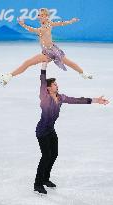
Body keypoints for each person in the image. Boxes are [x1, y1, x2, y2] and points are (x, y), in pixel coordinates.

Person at [34, 65, 109, 195]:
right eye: (54, 84)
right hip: (42, 131)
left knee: (54, 154)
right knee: (46, 156)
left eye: (56, 84)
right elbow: (42, 80)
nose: (57, 86)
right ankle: (37, 184)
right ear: (48, 88)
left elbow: (76, 100)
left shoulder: (61, 98)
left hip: (51, 130)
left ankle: (45, 179)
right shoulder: (44, 97)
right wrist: (43, 66)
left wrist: (96, 100)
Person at [0, 8, 93, 86]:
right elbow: (61, 23)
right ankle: (83, 73)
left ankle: (8, 77)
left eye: (41, 15)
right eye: (38, 15)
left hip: (51, 52)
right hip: (49, 50)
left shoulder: (45, 27)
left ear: (46, 16)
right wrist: (71, 21)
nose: (39, 17)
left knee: (28, 63)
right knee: (68, 62)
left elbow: (35, 30)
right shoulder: (49, 23)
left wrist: (23, 25)